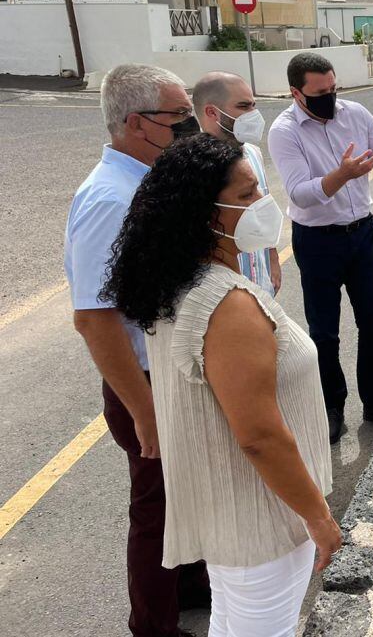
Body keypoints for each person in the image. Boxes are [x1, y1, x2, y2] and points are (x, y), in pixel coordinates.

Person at [100, 134, 341, 637]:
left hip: (232, 515)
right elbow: (259, 435)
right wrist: (318, 518)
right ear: (209, 213)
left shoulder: (182, 281)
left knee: (231, 623)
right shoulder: (226, 305)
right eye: (249, 193)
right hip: (262, 520)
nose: (264, 203)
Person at [64, 63, 207, 636]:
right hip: (146, 385)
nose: (189, 125)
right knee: (155, 508)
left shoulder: (147, 181)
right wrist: (144, 412)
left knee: (184, 494)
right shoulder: (109, 199)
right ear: (135, 124)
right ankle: (153, 625)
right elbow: (95, 320)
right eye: (178, 117)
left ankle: (191, 587)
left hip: (173, 373)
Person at [267, 52, 373, 444]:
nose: (330, 96)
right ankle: (331, 407)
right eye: (320, 92)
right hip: (318, 241)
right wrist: (341, 174)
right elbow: (300, 195)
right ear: (296, 92)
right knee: (324, 333)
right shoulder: (284, 130)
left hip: (362, 235)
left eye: (334, 87)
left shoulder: (355, 113)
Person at [193, 72, 281, 295]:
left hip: (260, 285)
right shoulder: (193, 168)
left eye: (253, 105)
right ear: (212, 112)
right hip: (225, 294)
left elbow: (262, 213)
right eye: (243, 107)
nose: (253, 114)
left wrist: (272, 259)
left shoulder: (252, 154)